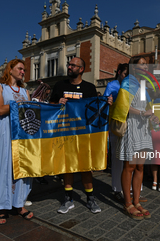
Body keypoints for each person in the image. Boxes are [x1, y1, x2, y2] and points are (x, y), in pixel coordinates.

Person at [50, 57, 113, 214]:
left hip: (84, 134)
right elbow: (49, 106)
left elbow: (96, 108)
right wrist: (57, 103)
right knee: (67, 167)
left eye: (73, 65)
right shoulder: (59, 85)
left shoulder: (89, 88)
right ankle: (68, 199)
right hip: (65, 133)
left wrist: (107, 102)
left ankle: (90, 199)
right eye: (69, 64)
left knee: (86, 167)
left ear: (81, 69)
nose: (69, 67)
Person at [0, 59, 33, 224]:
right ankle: (1, 206)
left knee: (20, 167)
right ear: (10, 70)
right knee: (3, 166)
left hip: (22, 131)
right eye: (19, 68)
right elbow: (0, 109)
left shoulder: (25, 92)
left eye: (24, 70)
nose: (22, 71)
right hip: (5, 129)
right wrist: (18, 104)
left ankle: (19, 204)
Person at [114, 56, 157, 220]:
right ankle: (128, 203)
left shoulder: (143, 85)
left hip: (144, 128)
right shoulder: (128, 82)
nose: (146, 66)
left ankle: (137, 201)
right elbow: (122, 106)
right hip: (132, 126)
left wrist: (152, 117)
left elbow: (146, 107)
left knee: (140, 167)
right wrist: (141, 113)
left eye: (146, 64)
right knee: (130, 167)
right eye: (142, 64)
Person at [103, 63, 129, 202]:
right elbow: (104, 103)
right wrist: (108, 101)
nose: (126, 77)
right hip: (116, 125)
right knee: (117, 158)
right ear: (119, 72)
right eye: (125, 74)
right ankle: (117, 189)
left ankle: (130, 189)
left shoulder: (131, 85)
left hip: (130, 124)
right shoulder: (111, 85)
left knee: (130, 158)